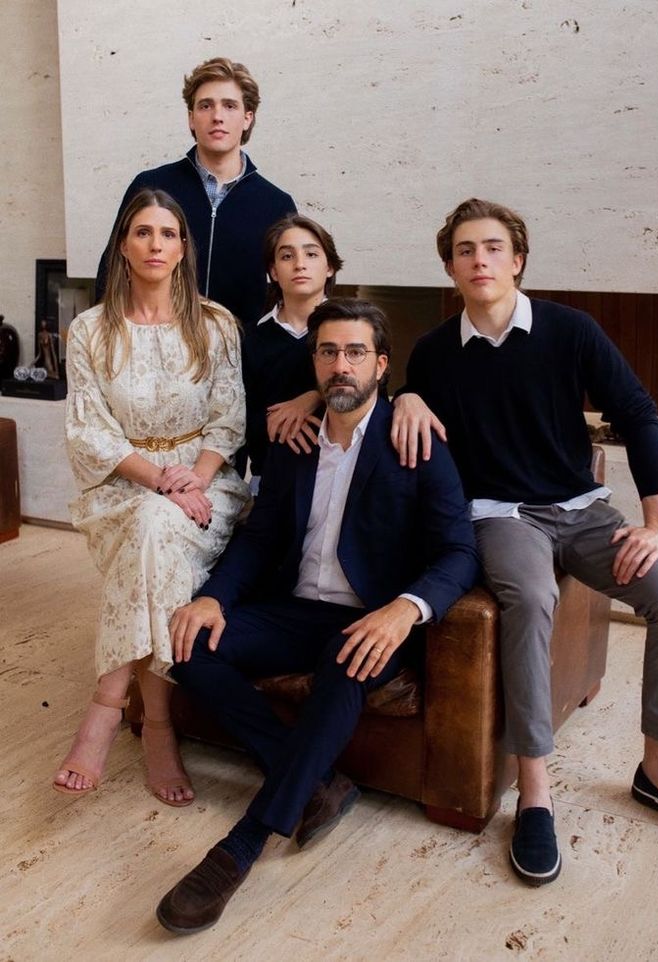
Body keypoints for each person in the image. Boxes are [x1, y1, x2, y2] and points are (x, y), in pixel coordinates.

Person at [392, 198, 658, 886]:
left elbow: (635, 412)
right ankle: (535, 793)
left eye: (492, 247)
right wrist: (404, 395)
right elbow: (405, 397)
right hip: (497, 514)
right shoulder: (433, 353)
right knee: (529, 594)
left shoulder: (568, 331)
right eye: (464, 250)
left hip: (579, 509)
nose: (479, 259)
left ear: (517, 260)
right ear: (450, 267)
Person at [155, 297, 478, 934]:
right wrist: (213, 597)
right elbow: (259, 537)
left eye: (356, 352)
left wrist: (404, 611)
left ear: (382, 365)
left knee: (346, 657)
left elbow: (458, 552)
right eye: (328, 352)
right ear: (315, 362)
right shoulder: (296, 444)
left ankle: (241, 846)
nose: (341, 366)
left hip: (369, 619)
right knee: (191, 648)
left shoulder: (413, 441)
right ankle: (318, 782)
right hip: (293, 610)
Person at [54, 188, 251, 807]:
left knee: (154, 529)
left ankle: (110, 710)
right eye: (143, 232)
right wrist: (159, 479)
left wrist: (192, 475)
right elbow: (88, 428)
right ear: (123, 244)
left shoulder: (215, 323)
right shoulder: (90, 329)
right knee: (149, 523)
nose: (156, 244)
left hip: (206, 481)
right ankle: (159, 726)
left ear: (183, 247)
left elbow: (230, 417)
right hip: (123, 483)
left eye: (168, 233)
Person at [96, 56, 296, 327]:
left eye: (229, 106)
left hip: (240, 358)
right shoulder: (151, 186)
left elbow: (290, 294)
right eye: (205, 106)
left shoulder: (275, 204)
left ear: (247, 118)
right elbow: (112, 269)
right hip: (157, 350)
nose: (217, 117)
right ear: (191, 118)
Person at [242, 213, 343, 491]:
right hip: (270, 480)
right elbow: (244, 421)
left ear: (330, 267)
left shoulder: (352, 329)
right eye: (287, 257)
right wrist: (286, 427)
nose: (300, 265)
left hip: (338, 477)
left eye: (311, 254)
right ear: (274, 272)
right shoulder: (250, 339)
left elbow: (372, 395)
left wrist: (312, 397)